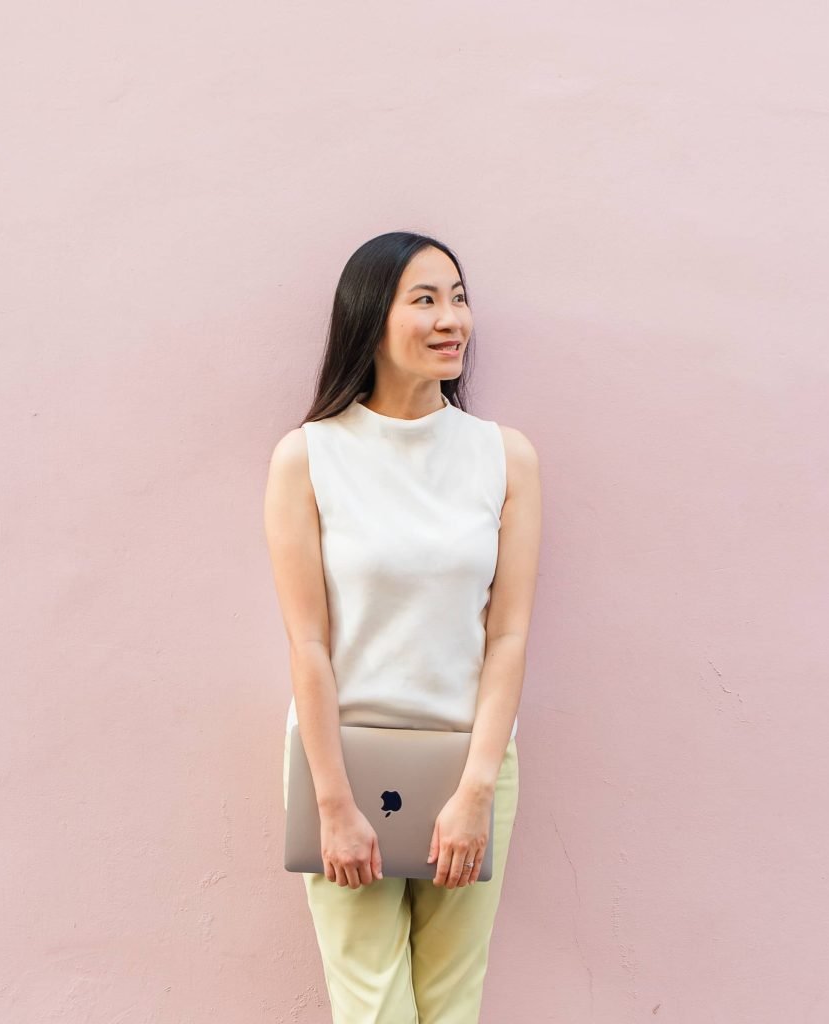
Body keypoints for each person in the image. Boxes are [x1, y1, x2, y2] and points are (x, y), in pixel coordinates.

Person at [263, 231, 541, 1023]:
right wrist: (333, 803)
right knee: (373, 1010)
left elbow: (508, 636)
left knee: (452, 1007)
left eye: (458, 297)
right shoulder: (308, 457)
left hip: (471, 762)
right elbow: (308, 643)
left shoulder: (505, 457)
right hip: (341, 764)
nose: (452, 319)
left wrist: (476, 789)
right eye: (425, 300)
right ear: (370, 319)